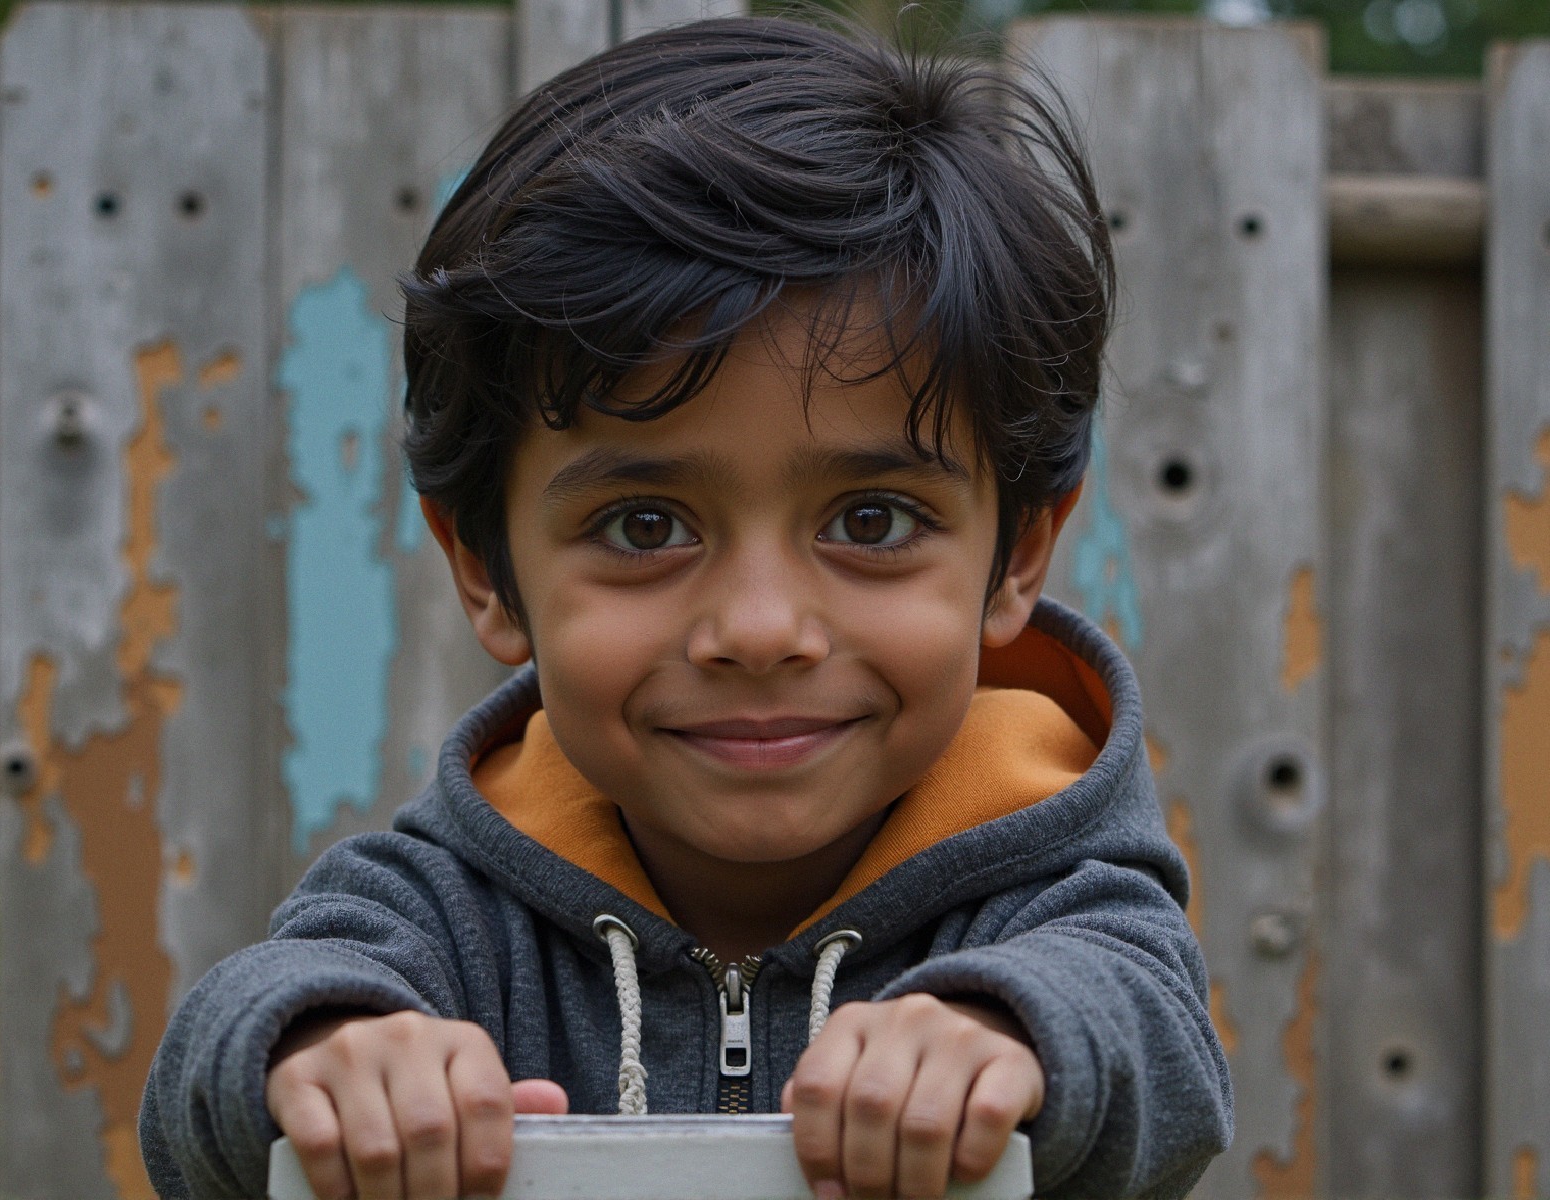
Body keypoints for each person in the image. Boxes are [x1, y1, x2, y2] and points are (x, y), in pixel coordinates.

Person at [140, 14, 1232, 1199]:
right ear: (484, 569)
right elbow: (209, 1072)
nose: (761, 629)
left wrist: (1003, 1032)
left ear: (1017, 555)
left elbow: (1153, 1050)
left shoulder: (1061, 900)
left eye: (869, 522)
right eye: (644, 527)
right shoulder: (433, 912)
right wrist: (323, 1051)